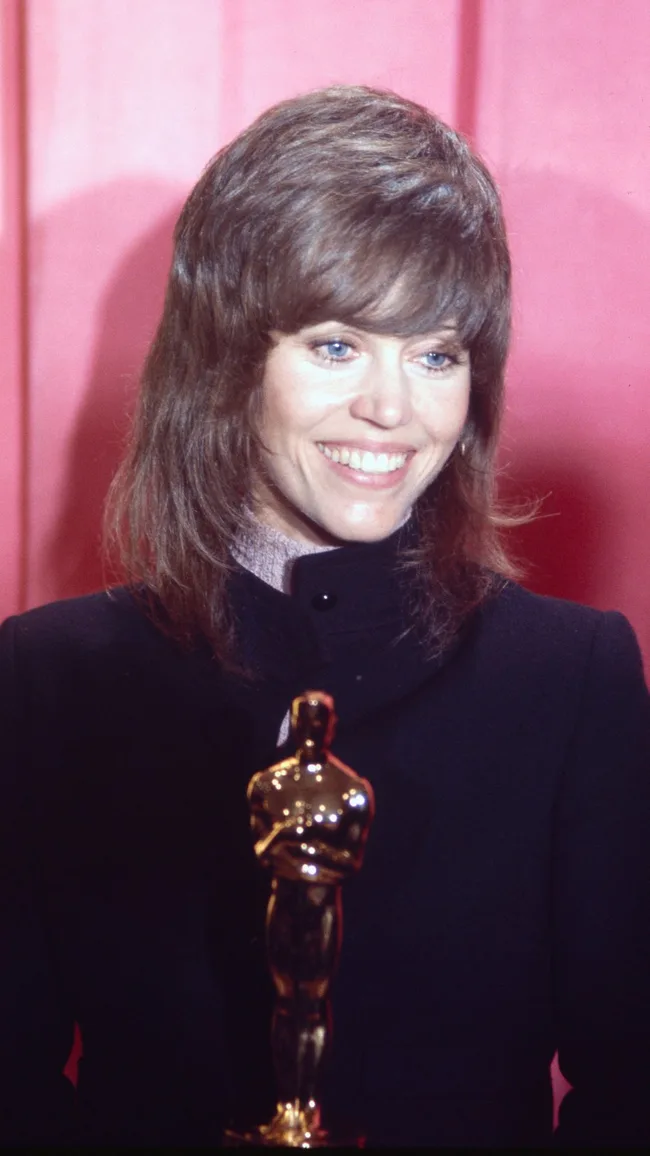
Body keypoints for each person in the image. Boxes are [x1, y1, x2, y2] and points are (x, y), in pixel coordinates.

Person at [0, 84, 648, 1148]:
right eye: (337, 345)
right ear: (224, 359)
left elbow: (632, 1091)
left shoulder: (568, 679)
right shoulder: (48, 680)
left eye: (437, 354)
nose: (395, 409)